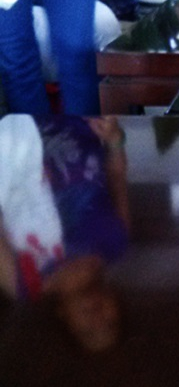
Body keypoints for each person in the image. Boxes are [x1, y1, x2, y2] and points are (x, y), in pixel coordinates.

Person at [0, 114, 129, 352]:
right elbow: (117, 179)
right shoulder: (117, 245)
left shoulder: (23, 283)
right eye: (110, 324)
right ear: (117, 306)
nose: (98, 320)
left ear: (63, 317)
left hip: (9, 127)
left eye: (88, 331)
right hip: (79, 119)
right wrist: (115, 140)